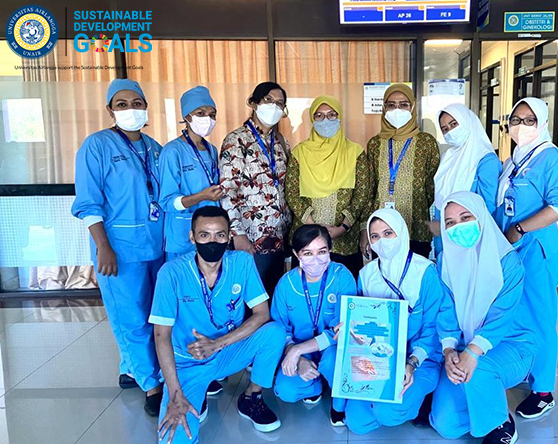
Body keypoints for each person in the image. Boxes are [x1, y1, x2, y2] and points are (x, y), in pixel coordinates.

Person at [150, 206, 286, 443]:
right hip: (188, 364)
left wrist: (217, 344)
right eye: (204, 235)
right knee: (176, 439)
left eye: (220, 235)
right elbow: (161, 335)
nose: (212, 242)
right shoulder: (171, 273)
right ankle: (197, 391)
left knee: (274, 333)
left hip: (226, 353)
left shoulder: (242, 262)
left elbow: (262, 313)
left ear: (229, 236)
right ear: (192, 237)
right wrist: (174, 393)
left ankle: (251, 397)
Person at [71, 78, 164, 416]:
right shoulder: (96, 146)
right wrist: (103, 246)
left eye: (137, 103)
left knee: (155, 314)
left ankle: (132, 368)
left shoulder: (155, 148)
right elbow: (88, 201)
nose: (131, 110)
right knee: (132, 317)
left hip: (156, 244)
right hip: (119, 249)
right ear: (110, 110)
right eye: (122, 104)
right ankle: (152, 385)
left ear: (146, 107)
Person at [429, 191, 537, 444]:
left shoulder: (507, 262)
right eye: (450, 223)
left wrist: (472, 352)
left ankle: (500, 424)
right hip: (464, 345)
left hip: (512, 345)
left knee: (479, 370)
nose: (458, 227)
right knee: (447, 425)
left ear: (481, 217)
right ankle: (486, 401)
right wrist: (449, 350)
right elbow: (446, 310)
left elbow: (502, 316)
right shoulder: (445, 261)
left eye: (466, 217)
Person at [494, 97, 558, 419]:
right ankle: (526, 369)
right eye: (516, 120)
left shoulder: (550, 157)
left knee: (541, 317)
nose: (522, 126)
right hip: (513, 249)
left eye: (529, 120)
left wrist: (520, 228)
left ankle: (543, 391)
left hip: (536, 248)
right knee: (518, 312)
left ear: (542, 123)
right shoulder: (513, 160)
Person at [344, 208, 445, 434]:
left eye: (388, 233)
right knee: (357, 423)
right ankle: (392, 401)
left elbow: (432, 327)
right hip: (379, 357)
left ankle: (421, 399)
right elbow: (361, 321)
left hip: (421, 359)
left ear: (401, 232)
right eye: (375, 236)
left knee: (387, 413)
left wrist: (411, 363)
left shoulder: (425, 271)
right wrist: (350, 329)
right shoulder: (366, 274)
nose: (382, 241)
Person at [271, 224, 357, 427]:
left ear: (330, 250)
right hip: (301, 350)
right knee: (286, 390)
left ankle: (338, 401)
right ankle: (315, 385)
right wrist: (298, 357)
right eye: (307, 253)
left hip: (333, 348)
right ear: (296, 254)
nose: (316, 259)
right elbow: (280, 328)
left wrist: (298, 350)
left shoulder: (341, 276)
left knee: (333, 362)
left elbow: (340, 329)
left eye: (322, 251)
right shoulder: (286, 284)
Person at [286, 96, 373, 277]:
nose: (326, 120)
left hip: (345, 240)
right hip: (308, 241)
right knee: (307, 286)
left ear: (339, 117)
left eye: (332, 115)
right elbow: (292, 193)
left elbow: (363, 194)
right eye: (319, 115)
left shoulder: (355, 152)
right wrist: (315, 230)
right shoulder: (299, 152)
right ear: (312, 119)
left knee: (344, 286)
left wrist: (342, 228)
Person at [220, 82, 292, 294]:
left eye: (279, 103)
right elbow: (227, 190)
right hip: (250, 237)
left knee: (273, 294)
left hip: (279, 237)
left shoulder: (281, 142)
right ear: (253, 103)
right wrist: (237, 233)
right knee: (250, 297)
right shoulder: (236, 140)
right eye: (268, 100)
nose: (274, 107)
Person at [360, 84, 440, 260]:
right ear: (384, 108)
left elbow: (432, 187)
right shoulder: (375, 143)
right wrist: (365, 229)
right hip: (380, 229)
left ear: (412, 107)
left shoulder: (426, 142)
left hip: (416, 228)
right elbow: (369, 190)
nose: (397, 109)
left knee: (414, 273)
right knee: (383, 273)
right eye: (391, 105)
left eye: (403, 105)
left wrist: (415, 203)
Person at [159, 86, 223, 262]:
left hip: (210, 232)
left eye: (212, 114)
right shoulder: (172, 151)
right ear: (187, 116)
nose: (208, 119)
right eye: (200, 113)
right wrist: (201, 196)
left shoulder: (211, 150)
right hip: (182, 233)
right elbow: (167, 202)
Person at [430, 103, 502, 259]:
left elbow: (487, 207)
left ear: (467, 121)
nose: (450, 131)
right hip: (444, 231)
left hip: (469, 237)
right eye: (445, 129)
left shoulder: (485, 159)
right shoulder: (448, 157)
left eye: (454, 124)